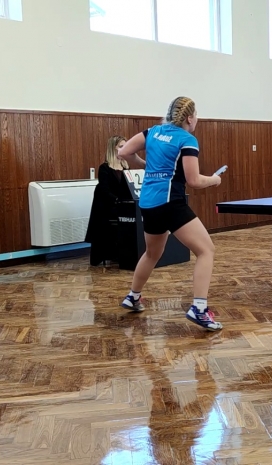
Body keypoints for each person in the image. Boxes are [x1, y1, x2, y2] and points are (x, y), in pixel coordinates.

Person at [117, 97, 224, 331]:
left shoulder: (153, 132)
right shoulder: (187, 139)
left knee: (152, 253)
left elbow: (123, 152)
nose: (197, 119)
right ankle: (199, 309)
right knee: (206, 250)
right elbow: (194, 181)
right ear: (189, 118)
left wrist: (145, 165)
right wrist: (214, 180)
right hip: (170, 203)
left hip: (148, 203)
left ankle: (133, 296)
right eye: (197, 115)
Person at [85, 135, 136, 266]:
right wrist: (118, 201)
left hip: (120, 204)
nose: (125, 149)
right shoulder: (104, 168)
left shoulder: (126, 167)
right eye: (121, 146)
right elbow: (105, 190)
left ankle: (128, 252)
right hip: (107, 206)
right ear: (113, 148)